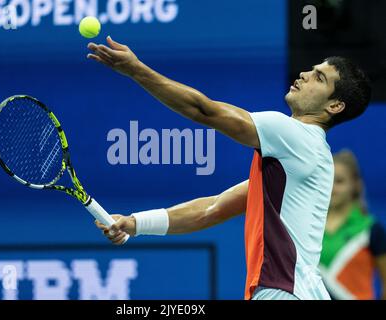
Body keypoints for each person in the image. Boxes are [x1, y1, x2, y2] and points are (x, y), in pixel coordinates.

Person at [87, 36, 371, 300]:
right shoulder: (297, 163)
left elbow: (204, 110)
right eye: (312, 69)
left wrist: (137, 70)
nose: (305, 75)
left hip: (283, 292)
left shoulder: (295, 135)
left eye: (319, 78)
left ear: (335, 105)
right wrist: (136, 223)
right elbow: (213, 209)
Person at [320, 150, 386, 300]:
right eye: (327, 180)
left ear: (355, 185)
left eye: (339, 181)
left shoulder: (371, 230)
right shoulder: (308, 229)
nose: (332, 188)